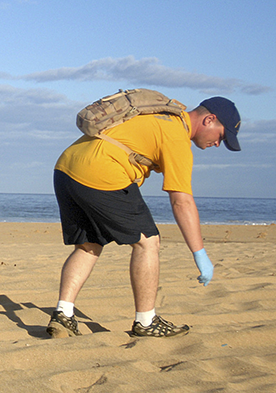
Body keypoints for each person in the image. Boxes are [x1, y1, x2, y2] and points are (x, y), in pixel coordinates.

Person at [47, 96, 242, 339]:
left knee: (89, 244)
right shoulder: (176, 135)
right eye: (221, 137)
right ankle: (146, 321)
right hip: (103, 172)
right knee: (148, 242)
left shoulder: (159, 116)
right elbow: (181, 201)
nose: (217, 144)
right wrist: (199, 253)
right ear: (209, 119)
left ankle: (63, 315)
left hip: (66, 168)